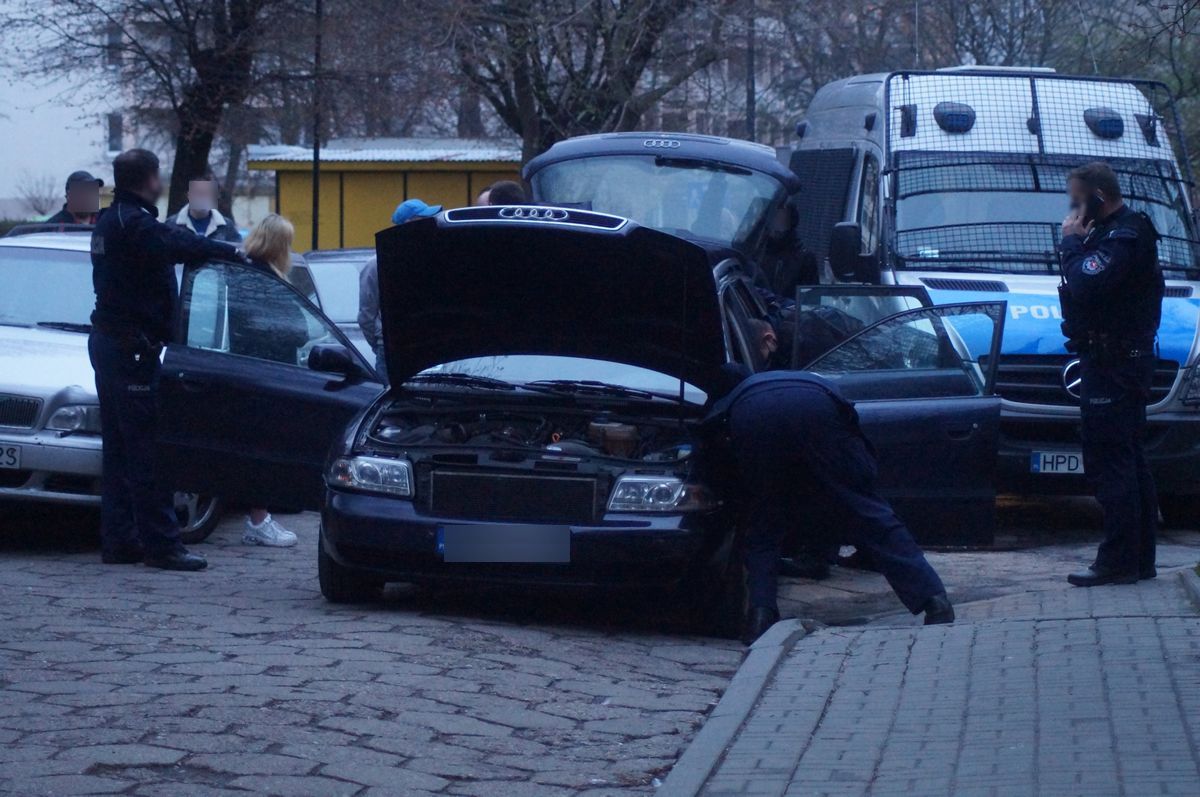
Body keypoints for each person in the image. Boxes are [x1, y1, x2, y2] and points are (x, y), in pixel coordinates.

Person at [706, 365, 954, 643]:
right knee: (871, 514)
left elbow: (715, 450)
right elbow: (855, 441)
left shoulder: (735, 397)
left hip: (755, 417)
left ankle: (759, 617)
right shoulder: (812, 380)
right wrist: (860, 487)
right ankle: (934, 600)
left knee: (763, 522)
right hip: (818, 408)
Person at [90, 149, 239, 570]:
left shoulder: (112, 220)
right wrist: (236, 253)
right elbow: (179, 244)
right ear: (150, 179)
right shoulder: (133, 224)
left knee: (119, 449)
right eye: (158, 176)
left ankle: (120, 541)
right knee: (146, 450)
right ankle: (162, 546)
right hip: (131, 349)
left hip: (114, 344)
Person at [1058, 162, 1163, 587]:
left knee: (1111, 461)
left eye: (1077, 200)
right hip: (1106, 359)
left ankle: (1120, 559)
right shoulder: (1104, 233)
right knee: (1127, 459)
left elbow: (1086, 283)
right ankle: (1137, 559)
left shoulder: (1126, 234)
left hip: (1116, 364)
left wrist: (1069, 244)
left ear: (1098, 196)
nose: (1072, 209)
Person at [229, 214, 305, 548]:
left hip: (255, 371)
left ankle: (261, 515)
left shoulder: (245, 274)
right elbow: (296, 330)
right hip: (266, 374)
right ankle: (259, 520)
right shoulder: (264, 281)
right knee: (262, 447)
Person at [358, 198, 442, 382]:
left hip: (427, 345)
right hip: (392, 349)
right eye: (423, 219)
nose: (430, 223)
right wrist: (382, 343)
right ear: (407, 224)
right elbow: (366, 315)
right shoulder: (376, 264)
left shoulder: (433, 258)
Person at [169, 173, 242, 243]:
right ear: (189, 195)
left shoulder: (226, 226)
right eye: (198, 193)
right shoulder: (172, 224)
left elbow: (238, 251)